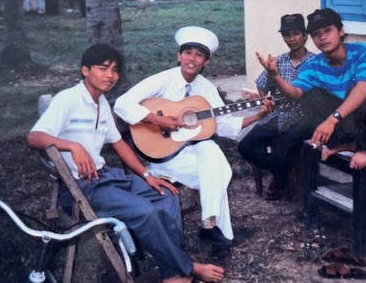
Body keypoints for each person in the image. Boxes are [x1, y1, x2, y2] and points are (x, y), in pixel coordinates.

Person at [27, 44, 224, 283]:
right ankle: (187, 267)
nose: (110, 75)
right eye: (103, 68)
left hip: (106, 178)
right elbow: (35, 137)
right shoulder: (68, 99)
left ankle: (172, 275)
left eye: (114, 70)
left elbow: (119, 143)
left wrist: (146, 175)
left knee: (166, 195)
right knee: (145, 211)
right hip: (82, 187)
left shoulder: (101, 104)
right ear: (85, 70)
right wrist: (72, 146)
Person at [114, 26, 273, 252]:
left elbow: (224, 124)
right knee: (220, 172)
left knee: (210, 149)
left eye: (199, 55)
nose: (192, 59)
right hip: (164, 155)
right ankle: (220, 234)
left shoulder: (205, 88)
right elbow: (122, 104)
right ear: (179, 56)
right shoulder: (162, 80)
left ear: (205, 62)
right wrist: (158, 121)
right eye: (187, 53)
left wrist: (259, 114)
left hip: (191, 152)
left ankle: (210, 225)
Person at [256, 8, 366, 173]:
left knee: (356, 87)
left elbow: (363, 89)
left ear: (340, 31)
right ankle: (347, 143)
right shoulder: (314, 65)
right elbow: (295, 93)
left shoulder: (363, 51)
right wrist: (275, 76)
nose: (322, 37)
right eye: (316, 34)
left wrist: (331, 120)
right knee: (310, 96)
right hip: (352, 121)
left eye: (327, 30)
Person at [237, 14, 314, 200]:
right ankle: (282, 175)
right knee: (245, 146)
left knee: (284, 150)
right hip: (277, 114)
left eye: (296, 33)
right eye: (287, 35)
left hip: (304, 117)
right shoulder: (277, 62)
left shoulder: (316, 62)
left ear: (305, 36)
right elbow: (262, 85)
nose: (292, 39)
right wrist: (266, 101)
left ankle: (279, 178)